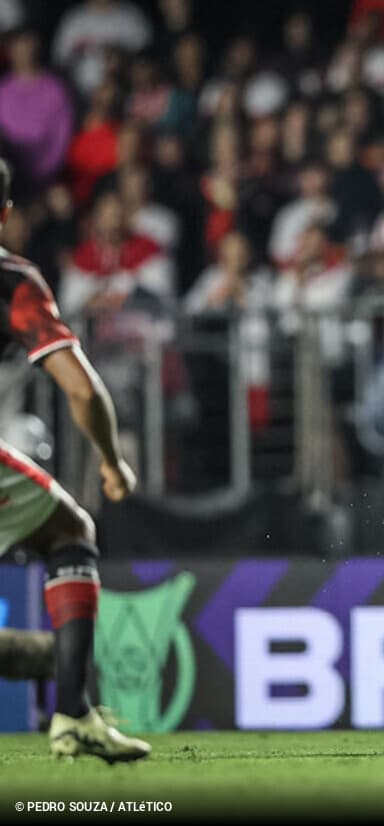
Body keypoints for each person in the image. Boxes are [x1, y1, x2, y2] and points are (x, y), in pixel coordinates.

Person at [0, 159, 149, 761]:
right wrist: (111, 461)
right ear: (6, 213)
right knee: (71, 531)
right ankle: (73, 713)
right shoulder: (13, 281)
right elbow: (82, 390)